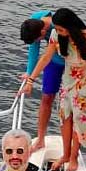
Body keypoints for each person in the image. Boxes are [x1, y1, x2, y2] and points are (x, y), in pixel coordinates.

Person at [22, 8, 86, 171]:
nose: (58, 32)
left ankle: (73, 157)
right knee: (64, 115)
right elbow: (45, 57)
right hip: (69, 77)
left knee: (78, 117)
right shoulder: (56, 35)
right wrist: (31, 79)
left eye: (62, 29)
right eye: (57, 29)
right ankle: (65, 153)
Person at [19, 9, 66, 152]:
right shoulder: (35, 22)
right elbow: (34, 51)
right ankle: (40, 139)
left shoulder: (58, 27)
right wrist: (29, 73)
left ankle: (69, 144)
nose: (37, 42)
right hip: (54, 60)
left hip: (72, 63)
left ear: (43, 33)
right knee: (47, 97)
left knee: (67, 104)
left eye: (38, 39)